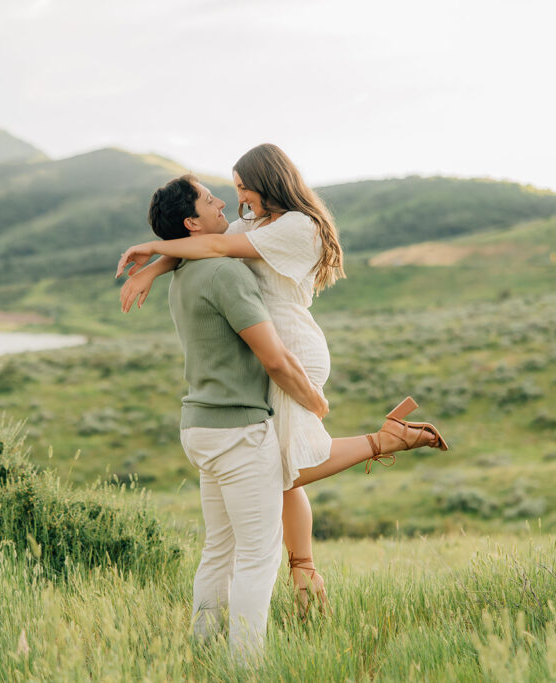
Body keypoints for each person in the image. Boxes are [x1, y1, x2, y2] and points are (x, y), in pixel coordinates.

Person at [117, 146, 448, 619]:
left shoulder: (297, 226)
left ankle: (380, 445)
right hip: (272, 350)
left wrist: (151, 249)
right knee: (281, 470)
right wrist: (154, 266)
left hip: (291, 350)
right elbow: (200, 242)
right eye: (229, 191)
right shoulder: (253, 225)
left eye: (241, 187)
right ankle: (305, 564)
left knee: (283, 468)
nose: (236, 200)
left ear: (267, 181)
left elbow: (210, 245)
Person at [146, 174, 329, 661]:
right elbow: (273, 358)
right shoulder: (225, 273)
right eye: (209, 199)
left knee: (219, 550)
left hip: (200, 427)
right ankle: (247, 665)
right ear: (192, 222)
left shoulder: (184, 276)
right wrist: (312, 397)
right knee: (258, 556)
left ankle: (203, 651)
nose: (222, 201)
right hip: (238, 431)